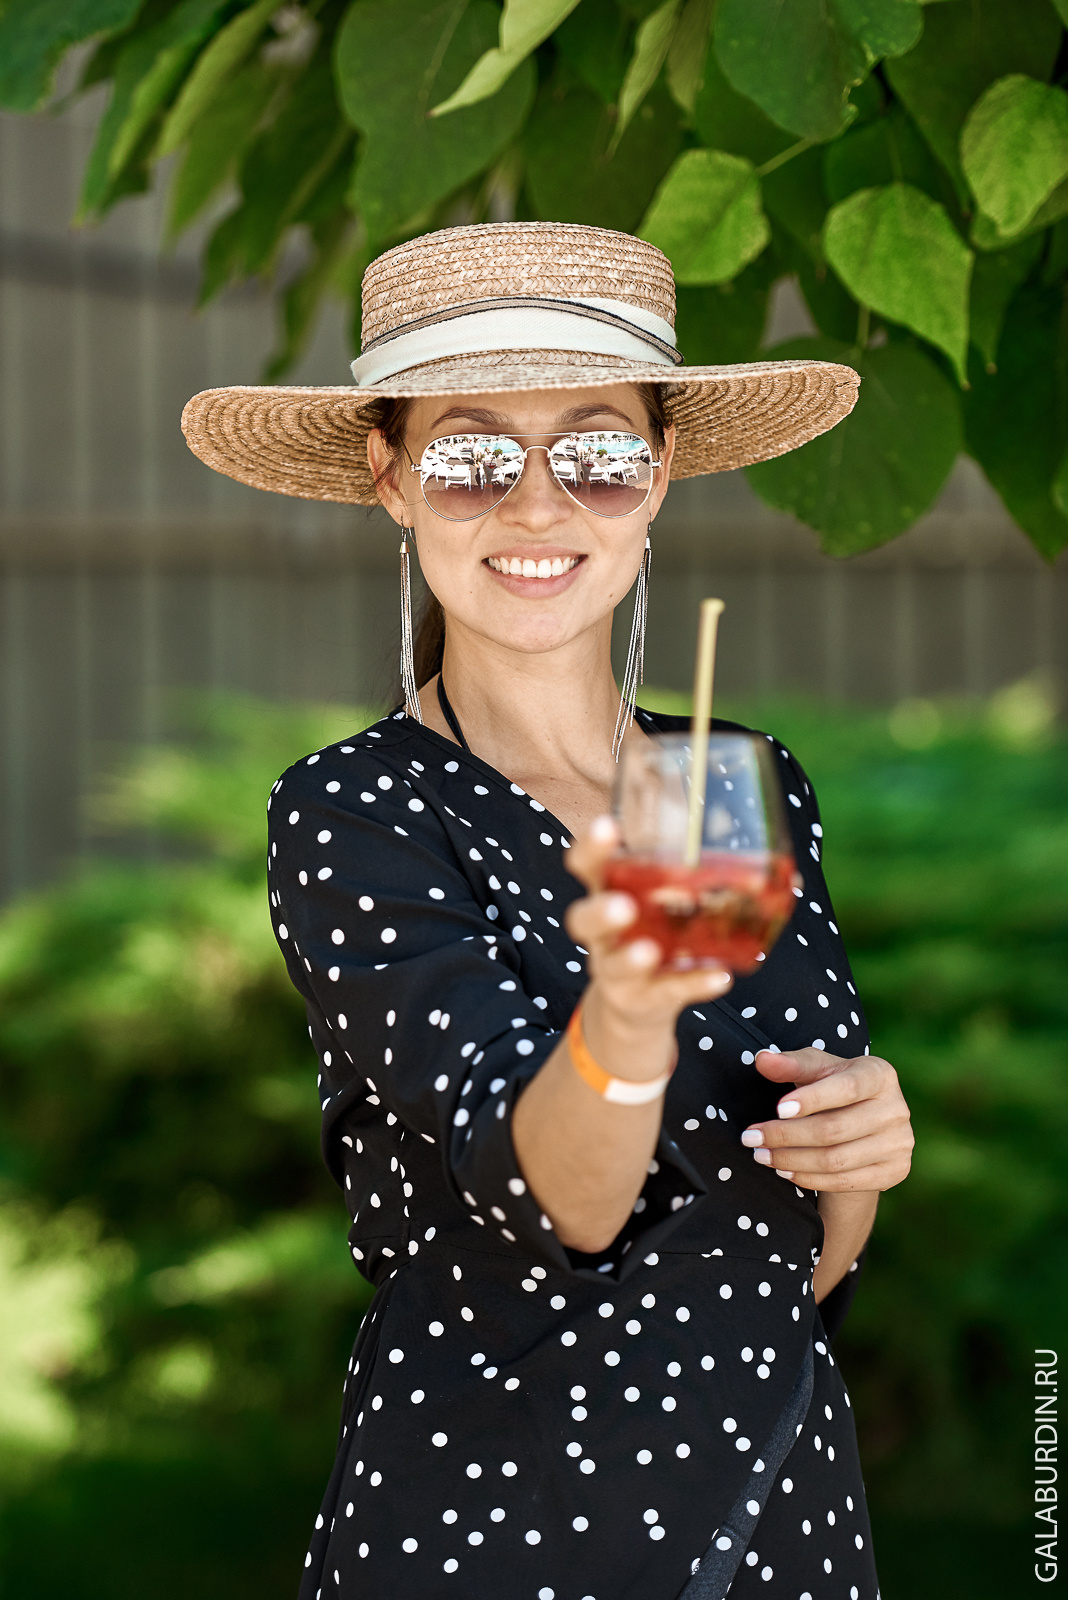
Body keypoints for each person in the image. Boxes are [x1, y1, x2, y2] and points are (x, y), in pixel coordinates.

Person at [182, 221, 914, 1600]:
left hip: (776, 1514)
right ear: (394, 483)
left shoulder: (743, 784)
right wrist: (628, 1009)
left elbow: (790, 1263)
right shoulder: (355, 813)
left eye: (595, 452)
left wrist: (858, 1166)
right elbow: (564, 1206)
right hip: (495, 1530)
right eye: (469, 459)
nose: (536, 505)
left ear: (658, 480)